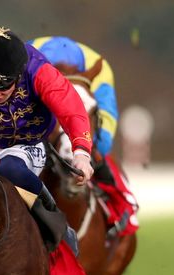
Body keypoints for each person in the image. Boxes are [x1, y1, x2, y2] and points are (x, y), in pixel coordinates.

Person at [0, 26, 95, 251]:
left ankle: (53, 219)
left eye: (3, 86)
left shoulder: (40, 71)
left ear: (19, 74)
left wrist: (82, 153)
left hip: (26, 143)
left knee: (10, 169)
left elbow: (72, 109)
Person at [31, 35, 139, 237]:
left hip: (84, 126)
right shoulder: (26, 61)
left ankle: (122, 212)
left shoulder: (100, 70)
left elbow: (107, 117)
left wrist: (96, 149)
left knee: (102, 158)